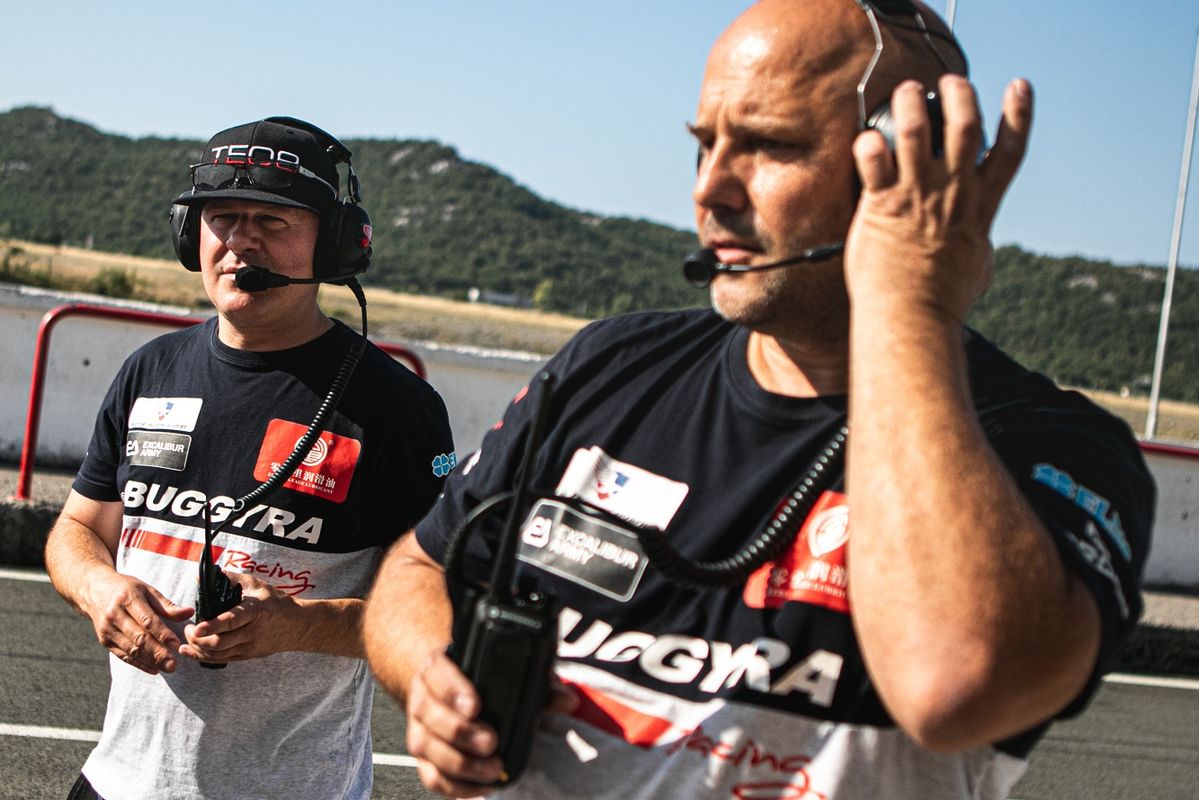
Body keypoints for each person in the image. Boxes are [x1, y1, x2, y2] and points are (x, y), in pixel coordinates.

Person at [363, 1, 1154, 797]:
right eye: (704, 144)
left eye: (771, 145)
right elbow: (420, 564)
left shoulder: (1047, 445)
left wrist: (911, 306)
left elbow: (953, 687)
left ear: (911, 162)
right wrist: (433, 671)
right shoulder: (607, 365)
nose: (709, 188)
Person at [44, 116, 455, 800]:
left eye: (271, 220)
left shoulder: (397, 409)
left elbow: (439, 608)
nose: (241, 240)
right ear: (190, 235)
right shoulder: (150, 370)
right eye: (223, 218)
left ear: (335, 245)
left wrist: (304, 624)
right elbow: (77, 529)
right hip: (117, 780)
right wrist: (99, 590)